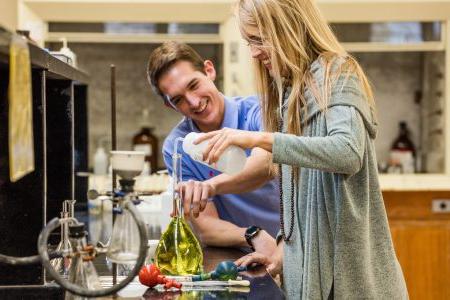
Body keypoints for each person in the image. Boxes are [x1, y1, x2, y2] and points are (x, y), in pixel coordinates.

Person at [189, 0, 409, 298]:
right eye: (249, 41)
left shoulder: (337, 72)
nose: (253, 52)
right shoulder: (291, 90)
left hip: (348, 280)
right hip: (306, 275)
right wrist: (280, 255)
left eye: (259, 39)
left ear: (287, 28)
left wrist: (258, 139)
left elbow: (347, 152)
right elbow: (301, 206)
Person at [146, 42, 279, 256]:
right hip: (243, 255)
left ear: (209, 70)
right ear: (170, 105)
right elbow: (207, 226)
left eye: (194, 85)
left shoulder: (259, 110)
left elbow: (267, 165)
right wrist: (253, 235)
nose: (194, 102)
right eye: (178, 99)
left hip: (292, 248)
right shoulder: (177, 146)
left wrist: (208, 187)